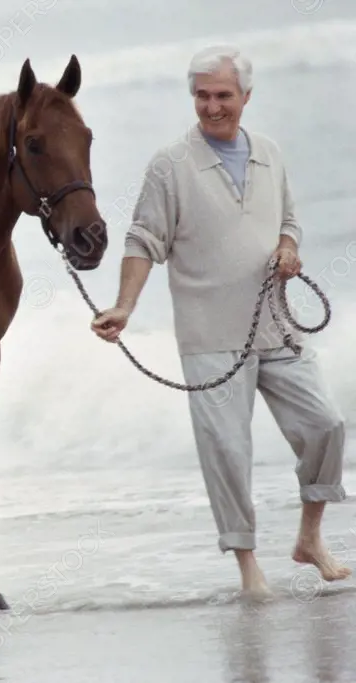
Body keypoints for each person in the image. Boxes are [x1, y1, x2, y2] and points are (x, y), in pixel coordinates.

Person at [90, 46, 349, 598]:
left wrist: (287, 247)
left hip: (278, 327)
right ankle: (248, 567)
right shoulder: (170, 164)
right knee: (228, 452)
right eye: (202, 95)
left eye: (223, 95)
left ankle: (309, 539)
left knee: (325, 425)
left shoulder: (271, 153)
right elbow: (144, 240)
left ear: (245, 97)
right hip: (211, 337)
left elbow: (289, 221)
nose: (212, 107)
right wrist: (124, 306)